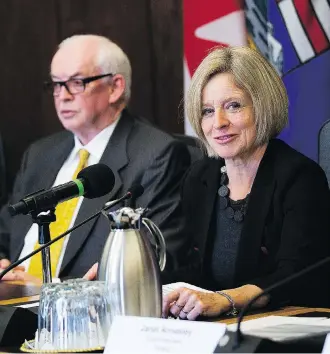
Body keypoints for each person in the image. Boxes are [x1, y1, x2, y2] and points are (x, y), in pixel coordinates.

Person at [0, 34, 191, 282]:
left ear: (115, 87)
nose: (63, 95)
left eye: (77, 82)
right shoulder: (39, 154)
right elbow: (5, 230)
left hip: (85, 310)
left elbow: (158, 254)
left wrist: (49, 288)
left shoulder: (157, 155)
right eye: (57, 84)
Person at [162, 46, 330, 321]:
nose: (218, 123)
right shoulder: (200, 177)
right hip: (218, 328)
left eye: (233, 106)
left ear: (262, 105)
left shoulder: (299, 177)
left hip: (289, 326)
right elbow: (191, 268)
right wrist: (130, 275)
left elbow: (294, 276)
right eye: (207, 111)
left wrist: (224, 300)